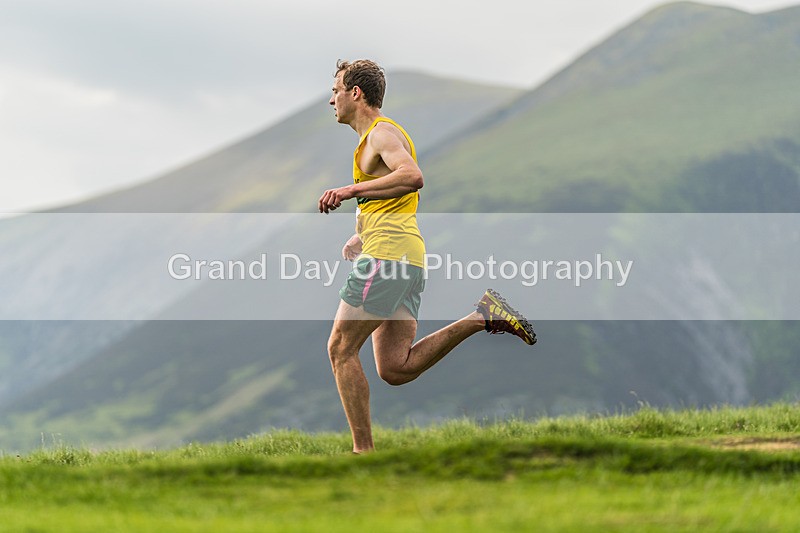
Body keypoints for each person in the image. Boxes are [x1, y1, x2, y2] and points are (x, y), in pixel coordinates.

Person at [318, 59, 536, 454]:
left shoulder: (381, 135)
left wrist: (350, 192)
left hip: (387, 260)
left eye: (335, 89)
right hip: (405, 256)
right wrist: (359, 234)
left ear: (356, 93)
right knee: (395, 368)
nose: (330, 98)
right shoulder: (372, 141)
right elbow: (394, 199)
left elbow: (413, 176)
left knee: (339, 349)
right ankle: (482, 316)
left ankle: (362, 453)